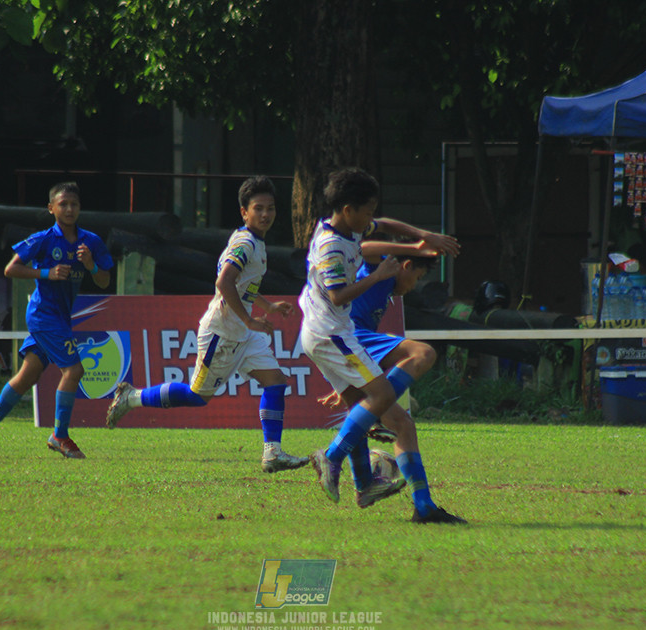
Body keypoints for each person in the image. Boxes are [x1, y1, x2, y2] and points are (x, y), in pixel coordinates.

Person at [105, 176, 309, 473]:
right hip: (223, 333)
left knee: (276, 382)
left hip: (242, 333)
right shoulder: (246, 243)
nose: (266, 214)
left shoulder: (254, 241)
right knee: (198, 397)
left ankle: (272, 454)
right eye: (258, 208)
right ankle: (131, 397)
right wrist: (250, 319)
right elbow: (224, 281)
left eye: (271, 208)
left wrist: (267, 306)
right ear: (244, 212)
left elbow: (242, 285)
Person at [300, 167, 464, 522]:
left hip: (336, 338)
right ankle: (331, 455)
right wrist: (383, 271)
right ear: (347, 209)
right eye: (367, 210)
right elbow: (356, 266)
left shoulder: (347, 231)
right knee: (419, 357)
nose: (372, 217)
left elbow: (382, 226)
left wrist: (422, 237)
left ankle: (412, 503)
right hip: (338, 334)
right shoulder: (340, 247)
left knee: (400, 423)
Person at [318, 239, 467, 523]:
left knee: (403, 425)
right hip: (350, 336)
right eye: (418, 277)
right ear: (407, 266)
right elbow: (363, 247)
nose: (413, 285)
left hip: (347, 349)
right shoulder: (383, 269)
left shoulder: (386, 286)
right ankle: (336, 450)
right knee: (423, 352)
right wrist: (412, 247)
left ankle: (422, 506)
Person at [0, 182, 113, 460]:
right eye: (63, 204)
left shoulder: (91, 242)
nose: (69, 209)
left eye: (74, 204)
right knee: (73, 371)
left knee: (28, 376)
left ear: (80, 208)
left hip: (60, 317)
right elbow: (11, 268)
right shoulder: (43, 239)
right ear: (51, 208)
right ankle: (59, 435)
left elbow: (105, 279)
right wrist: (46, 274)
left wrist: (91, 266)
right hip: (43, 316)